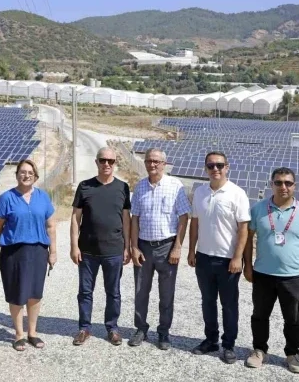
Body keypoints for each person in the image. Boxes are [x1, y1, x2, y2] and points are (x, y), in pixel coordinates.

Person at [243, 167, 299, 373]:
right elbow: (248, 239)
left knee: (293, 318)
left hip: (293, 276)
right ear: (272, 184)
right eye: (278, 182)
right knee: (259, 315)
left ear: (294, 186)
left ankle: (292, 354)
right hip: (263, 274)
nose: (283, 187)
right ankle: (259, 350)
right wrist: (247, 266)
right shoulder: (258, 209)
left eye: (288, 183)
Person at [188, 151, 250, 363]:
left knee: (229, 304)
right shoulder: (199, 192)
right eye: (211, 165)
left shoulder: (237, 193)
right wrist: (191, 250)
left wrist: (237, 258)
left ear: (227, 167)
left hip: (227, 260)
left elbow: (243, 229)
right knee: (207, 302)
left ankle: (229, 344)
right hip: (204, 257)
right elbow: (194, 222)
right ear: (205, 168)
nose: (215, 169)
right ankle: (211, 340)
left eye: (219, 165)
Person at [128, 147, 191, 350]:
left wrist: (177, 247)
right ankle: (141, 328)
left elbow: (183, 217)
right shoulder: (140, 187)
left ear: (164, 164)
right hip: (144, 247)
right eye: (149, 161)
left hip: (167, 247)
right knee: (140, 292)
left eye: (156, 161)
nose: (152, 165)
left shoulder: (175, 186)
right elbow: (134, 219)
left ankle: (163, 333)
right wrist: (134, 247)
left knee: (166, 294)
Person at [0, 159, 57, 351]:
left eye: (30, 172)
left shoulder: (43, 197)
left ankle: (33, 333)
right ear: (17, 175)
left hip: (38, 250)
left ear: (35, 176)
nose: (26, 175)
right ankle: (19, 334)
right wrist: (1, 236)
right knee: (16, 292)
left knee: (35, 293)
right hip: (14, 251)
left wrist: (53, 251)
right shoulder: (6, 198)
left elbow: (51, 225)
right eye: (22, 172)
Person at [70, 147, 131, 346]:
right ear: (96, 162)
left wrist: (127, 246)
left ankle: (112, 328)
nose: (107, 164)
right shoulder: (85, 186)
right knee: (85, 292)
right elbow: (75, 218)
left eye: (111, 161)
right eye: (103, 160)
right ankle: (84, 328)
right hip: (87, 251)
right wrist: (73, 246)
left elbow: (126, 219)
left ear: (115, 163)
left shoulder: (123, 187)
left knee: (113, 292)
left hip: (113, 250)